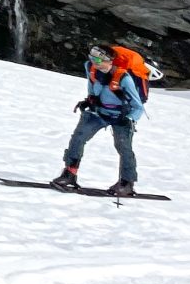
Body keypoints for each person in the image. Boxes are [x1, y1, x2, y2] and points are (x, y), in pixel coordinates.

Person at [51, 44, 146, 197]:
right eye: (92, 57)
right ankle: (69, 174)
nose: (94, 61)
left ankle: (127, 183)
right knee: (78, 138)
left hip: (120, 117)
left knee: (124, 148)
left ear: (110, 61)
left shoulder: (124, 78)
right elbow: (91, 87)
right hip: (99, 112)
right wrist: (89, 101)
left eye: (98, 59)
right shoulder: (91, 68)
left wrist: (130, 119)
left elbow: (138, 106)